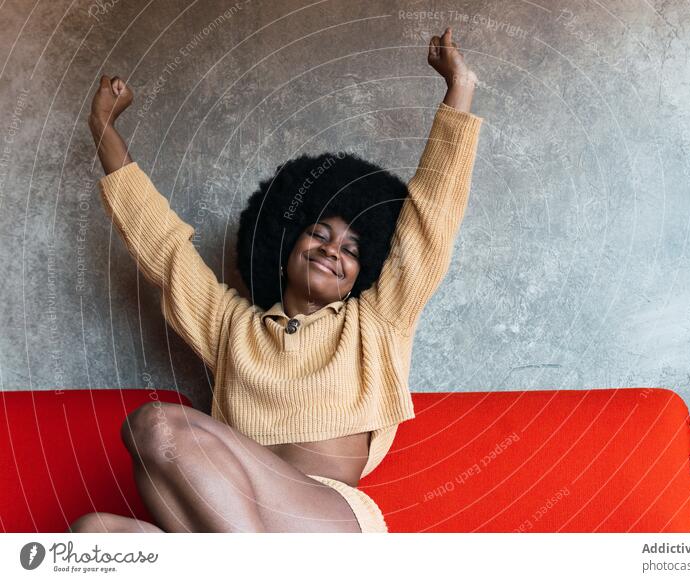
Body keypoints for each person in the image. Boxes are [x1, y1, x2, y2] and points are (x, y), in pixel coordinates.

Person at [69, 27, 483, 533]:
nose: (333, 250)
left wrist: (459, 90)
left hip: (326, 522)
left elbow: (430, 223)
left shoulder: (376, 321)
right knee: (96, 533)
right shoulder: (230, 328)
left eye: (351, 250)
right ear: (285, 245)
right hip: (235, 518)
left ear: (361, 274)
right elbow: (162, 247)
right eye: (319, 233)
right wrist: (102, 127)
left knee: (157, 423)